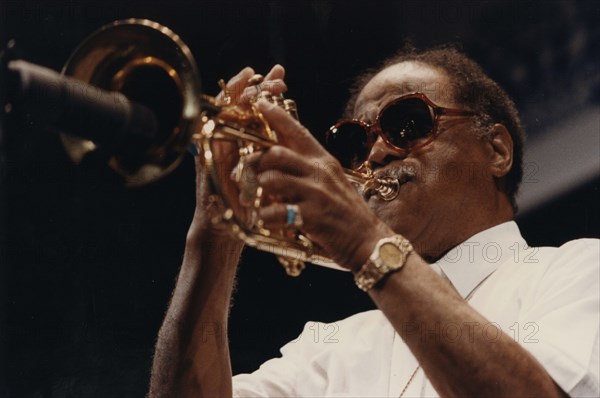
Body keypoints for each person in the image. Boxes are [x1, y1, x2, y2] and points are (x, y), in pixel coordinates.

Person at [148, 47, 599, 397]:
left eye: (408, 122)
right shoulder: (330, 349)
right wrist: (214, 231)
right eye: (354, 144)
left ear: (497, 151)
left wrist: (365, 240)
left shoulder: (581, 271)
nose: (376, 154)